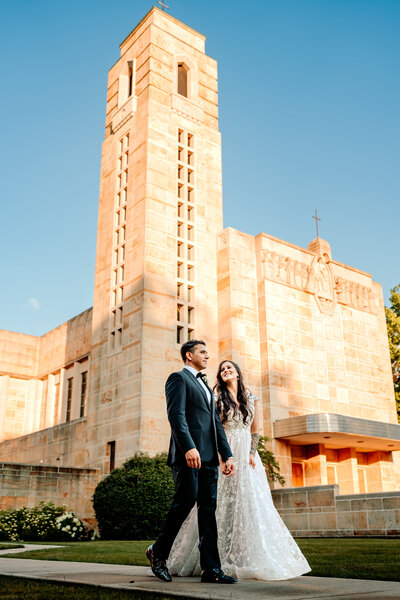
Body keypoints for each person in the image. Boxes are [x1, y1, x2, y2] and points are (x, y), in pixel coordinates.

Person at [167, 359, 311, 580]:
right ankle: (212, 558)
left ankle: (247, 555)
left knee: (250, 503)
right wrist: (221, 457)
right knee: (216, 505)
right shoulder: (215, 397)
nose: (225, 371)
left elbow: (255, 431)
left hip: (247, 456)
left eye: (229, 368)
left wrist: (252, 454)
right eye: (222, 369)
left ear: (237, 373)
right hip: (224, 453)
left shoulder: (251, 398)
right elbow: (212, 430)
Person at [146, 341, 238, 584]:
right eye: (202, 352)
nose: (207, 356)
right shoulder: (178, 379)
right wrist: (188, 447)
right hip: (188, 456)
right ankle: (158, 552)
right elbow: (176, 416)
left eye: (207, 352)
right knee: (184, 502)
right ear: (189, 355)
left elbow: (215, 424)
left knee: (208, 512)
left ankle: (211, 570)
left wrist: (226, 454)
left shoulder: (206, 386)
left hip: (209, 459)